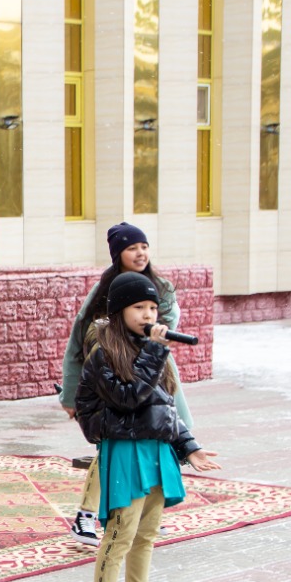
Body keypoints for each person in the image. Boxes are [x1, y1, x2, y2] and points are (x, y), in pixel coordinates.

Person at [75, 272, 220, 582]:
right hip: (124, 449)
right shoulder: (104, 352)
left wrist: (189, 446)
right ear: (120, 310)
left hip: (155, 448)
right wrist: (156, 352)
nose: (148, 314)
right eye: (139, 307)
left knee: (146, 533)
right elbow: (128, 398)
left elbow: (164, 406)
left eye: (153, 307)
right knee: (120, 533)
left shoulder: (150, 351)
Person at [59, 223, 193, 547]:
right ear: (118, 253)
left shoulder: (160, 286)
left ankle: (148, 511)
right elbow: (79, 338)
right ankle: (86, 516)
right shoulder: (103, 291)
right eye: (132, 248)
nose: (140, 253)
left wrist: (153, 337)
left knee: (159, 436)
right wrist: (71, 390)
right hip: (113, 374)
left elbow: (170, 319)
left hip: (153, 372)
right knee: (110, 443)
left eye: (144, 246)